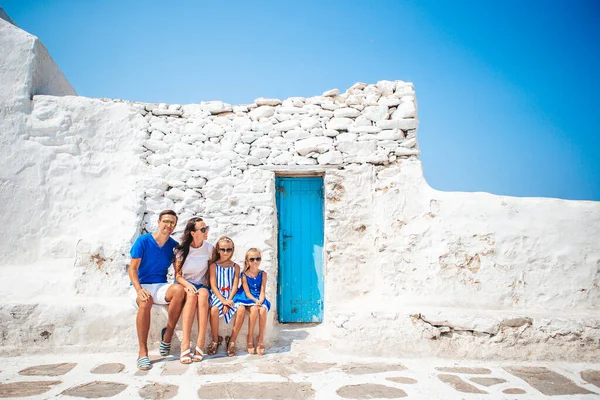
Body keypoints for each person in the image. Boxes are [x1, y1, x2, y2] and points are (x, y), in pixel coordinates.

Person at [128, 210, 186, 370]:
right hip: (140, 285)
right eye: (166, 221)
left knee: (179, 290)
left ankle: (167, 335)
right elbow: (132, 269)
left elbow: (179, 270)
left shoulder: (173, 246)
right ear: (159, 222)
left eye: (172, 223)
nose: (169, 225)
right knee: (146, 301)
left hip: (160, 285)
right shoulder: (143, 241)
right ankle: (143, 353)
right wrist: (139, 289)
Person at [173, 217, 213, 364]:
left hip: (202, 285)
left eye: (206, 228)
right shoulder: (181, 250)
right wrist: (187, 284)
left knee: (202, 295)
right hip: (185, 284)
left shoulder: (209, 248)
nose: (206, 231)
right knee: (191, 295)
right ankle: (186, 343)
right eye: (202, 229)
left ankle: (200, 342)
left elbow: (211, 272)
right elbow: (177, 275)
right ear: (192, 233)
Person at [207, 236, 246, 356]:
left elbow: (235, 286)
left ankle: (232, 340)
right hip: (218, 295)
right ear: (218, 250)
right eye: (223, 249)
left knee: (241, 309)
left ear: (232, 250)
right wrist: (223, 301)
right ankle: (215, 339)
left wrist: (229, 300)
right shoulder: (213, 266)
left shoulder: (236, 267)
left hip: (231, 295)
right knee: (213, 310)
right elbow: (213, 285)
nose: (225, 252)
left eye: (228, 250)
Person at [233, 248, 270, 355]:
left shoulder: (263, 274)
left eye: (258, 259)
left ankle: (260, 338)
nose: (255, 262)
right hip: (248, 297)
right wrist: (255, 300)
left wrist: (261, 300)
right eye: (252, 259)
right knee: (254, 309)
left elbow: (263, 290)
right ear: (247, 261)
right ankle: (250, 337)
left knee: (262, 310)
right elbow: (247, 292)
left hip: (259, 297)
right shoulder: (244, 275)